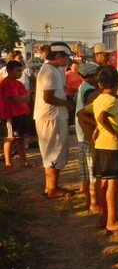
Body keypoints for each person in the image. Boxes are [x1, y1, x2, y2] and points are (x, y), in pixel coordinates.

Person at [90, 65, 118, 232]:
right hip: (111, 146)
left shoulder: (98, 99)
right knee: (113, 184)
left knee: (104, 182)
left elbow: (87, 115)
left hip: (100, 145)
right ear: (117, 84)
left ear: (99, 84)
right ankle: (112, 221)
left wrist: (96, 130)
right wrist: (115, 133)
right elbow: (102, 117)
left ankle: (104, 217)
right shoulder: (112, 100)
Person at [33, 42, 75, 198]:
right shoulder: (49, 71)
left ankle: (50, 187)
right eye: (66, 57)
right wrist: (66, 103)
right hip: (51, 118)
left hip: (53, 117)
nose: (67, 61)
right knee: (54, 152)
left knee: (52, 152)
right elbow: (48, 97)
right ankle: (52, 189)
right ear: (58, 56)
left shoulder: (54, 70)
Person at [74, 62, 100, 212]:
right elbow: (88, 114)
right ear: (92, 76)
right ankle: (94, 203)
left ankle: (87, 200)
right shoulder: (91, 91)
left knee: (85, 172)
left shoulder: (82, 87)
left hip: (81, 134)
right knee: (93, 173)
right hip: (89, 134)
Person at [0, 61, 34, 168]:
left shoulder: (18, 83)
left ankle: (23, 161)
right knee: (10, 138)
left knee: (21, 138)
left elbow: (26, 97)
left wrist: (23, 97)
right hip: (11, 114)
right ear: (9, 71)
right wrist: (22, 97)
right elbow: (14, 99)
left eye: (21, 71)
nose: (20, 73)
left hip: (21, 113)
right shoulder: (7, 83)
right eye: (17, 71)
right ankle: (8, 163)